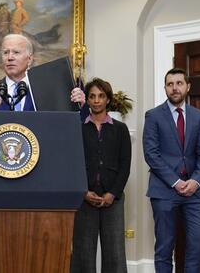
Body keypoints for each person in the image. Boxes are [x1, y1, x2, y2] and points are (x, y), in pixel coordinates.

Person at [143, 68, 200, 273]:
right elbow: (151, 154)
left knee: (198, 243)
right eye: (170, 84)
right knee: (164, 247)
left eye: (179, 83)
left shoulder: (199, 117)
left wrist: (195, 181)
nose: (175, 88)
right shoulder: (153, 116)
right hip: (164, 191)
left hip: (195, 192)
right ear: (165, 88)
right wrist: (176, 182)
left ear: (187, 87)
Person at [70, 78, 131, 273]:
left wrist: (112, 194)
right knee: (83, 253)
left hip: (112, 198)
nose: (96, 100)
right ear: (87, 100)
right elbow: (73, 164)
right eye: (92, 96)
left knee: (114, 253)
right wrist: (83, 192)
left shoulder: (120, 129)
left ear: (108, 100)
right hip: (84, 198)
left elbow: (125, 165)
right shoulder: (77, 128)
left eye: (101, 96)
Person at [0, 33, 85, 111]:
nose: (9, 57)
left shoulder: (49, 92)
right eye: (5, 52)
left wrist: (81, 105)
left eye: (16, 52)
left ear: (30, 59)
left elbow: (69, 128)